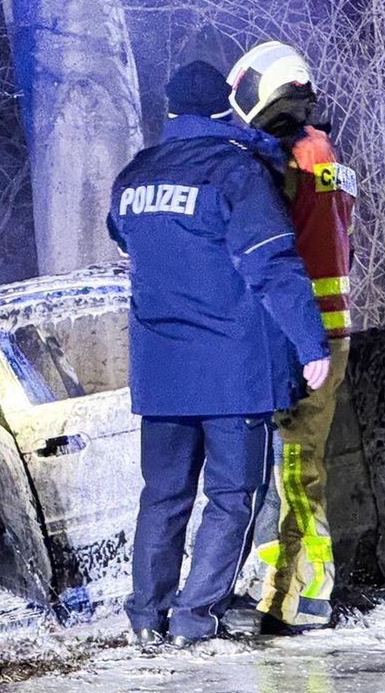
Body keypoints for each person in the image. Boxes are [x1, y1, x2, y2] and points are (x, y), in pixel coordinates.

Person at [108, 60, 331, 647]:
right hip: (234, 370)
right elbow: (272, 264)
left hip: (161, 371)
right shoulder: (236, 171)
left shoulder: (134, 175)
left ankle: (146, 617)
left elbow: (119, 233)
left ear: (169, 108)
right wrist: (311, 343)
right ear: (224, 107)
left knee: (163, 497)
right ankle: (194, 618)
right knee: (232, 498)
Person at [227, 41, 357, 630]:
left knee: (291, 470)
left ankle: (290, 598)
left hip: (297, 334)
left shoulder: (284, 160)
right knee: (303, 466)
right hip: (332, 328)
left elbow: (268, 249)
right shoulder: (324, 152)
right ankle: (308, 589)